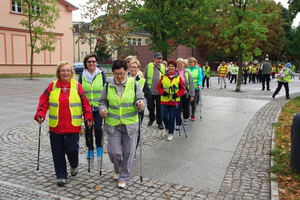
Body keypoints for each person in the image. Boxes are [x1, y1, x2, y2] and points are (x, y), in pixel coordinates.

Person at [34, 61, 93, 186]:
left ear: (71, 72)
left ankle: (74, 165)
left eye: (67, 70)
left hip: (73, 126)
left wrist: (88, 117)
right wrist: (40, 114)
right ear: (58, 73)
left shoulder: (77, 86)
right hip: (56, 126)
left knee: (72, 149)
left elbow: (85, 105)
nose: (65, 73)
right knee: (57, 151)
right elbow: (43, 101)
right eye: (62, 70)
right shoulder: (53, 86)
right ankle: (61, 175)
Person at [99, 60, 146, 189]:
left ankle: (124, 176)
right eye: (116, 74)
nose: (119, 76)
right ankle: (117, 167)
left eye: (121, 73)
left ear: (126, 71)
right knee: (113, 152)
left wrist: (140, 104)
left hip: (130, 123)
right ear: (113, 73)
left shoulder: (134, 84)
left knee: (129, 152)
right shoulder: (108, 84)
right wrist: (102, 110)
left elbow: (141, 99)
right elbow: (102, 101)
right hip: (113, 123)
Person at [78, 54, 107, 159]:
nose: (91, 63)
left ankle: (99, 147)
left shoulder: (101, 74)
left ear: (96, 63)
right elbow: (79, 91)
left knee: (98, 128)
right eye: (89, 61)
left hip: (98, 106)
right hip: (87, 107)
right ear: (86, 63)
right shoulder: (82, 75)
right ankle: (90, 149)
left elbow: (106, 88)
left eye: (93, 61)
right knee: (88, 129)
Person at [157, 59, 185, 140]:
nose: (171, 68)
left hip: (174, 101)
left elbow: (182, 89)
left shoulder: (178, 78)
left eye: (173, 66)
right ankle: (167, 127)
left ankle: (170, 133)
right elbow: (158, 87)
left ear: (175, 67)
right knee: (164, 116)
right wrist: (163, 92)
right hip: (164, 100)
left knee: (172, 117)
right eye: (170, 66)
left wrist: (177, 94)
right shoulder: (163, 76)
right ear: (167, 67)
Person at [128, 58, 152, 149]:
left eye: (135, 67)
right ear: (128, 67)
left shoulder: (142, 81)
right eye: (131, 67)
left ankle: (133, 149)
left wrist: (142, 103)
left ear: (139, 68)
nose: (133, 69)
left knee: (136, 130)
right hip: (126, 109)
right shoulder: (124, 79)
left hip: (138, 110)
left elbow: (148, 95)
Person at [143, 53, 165, 129]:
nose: (159, 60)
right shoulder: (148, 66)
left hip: (159, 92)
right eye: (158, 59)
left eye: (160, 59)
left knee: (159, 109)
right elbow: (144, 77)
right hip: (150, 92)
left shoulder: (163, 67)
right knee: (150, 107)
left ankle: (160, 122)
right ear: (154, 59)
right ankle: (152, 118)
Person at [176, 58, 195, 128]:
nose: (180, 65)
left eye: (181, 64)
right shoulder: (175, 72)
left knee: (185, 107)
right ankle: (178, 122)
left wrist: (192, 95)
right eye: (178, 64)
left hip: (185, 93)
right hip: (177, 93)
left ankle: (186, 117)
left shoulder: (187, 72)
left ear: (184, 64)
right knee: (178, 108)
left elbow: (191, 84)